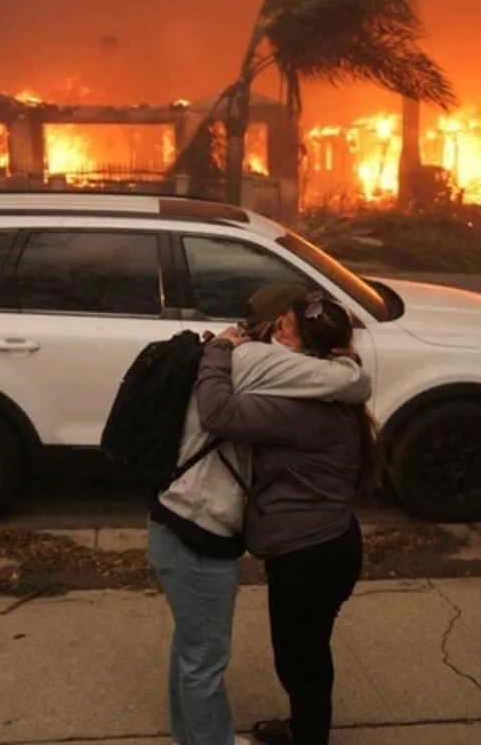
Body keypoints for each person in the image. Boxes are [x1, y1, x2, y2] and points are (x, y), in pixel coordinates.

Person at [147, 283, 373, 745]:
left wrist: (220, 352)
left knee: (299, 658)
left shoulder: (303, 406)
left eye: (289, 333)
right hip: (317, 548)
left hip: (312, 554)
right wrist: (347, 364)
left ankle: (306, 736)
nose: (279, 341)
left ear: (308, 353)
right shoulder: (313, 390)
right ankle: (300, 730)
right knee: (297, 653)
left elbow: (221, 413)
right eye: (282, 328)